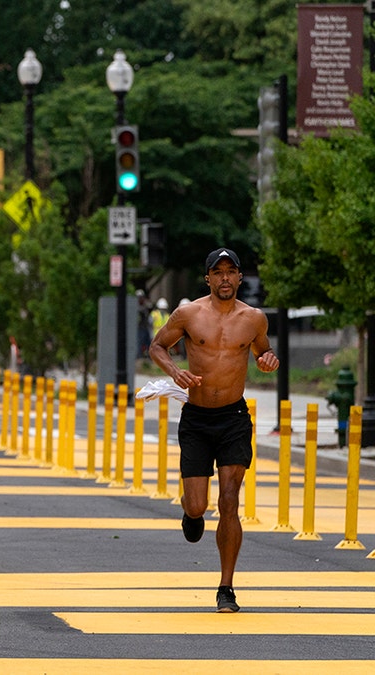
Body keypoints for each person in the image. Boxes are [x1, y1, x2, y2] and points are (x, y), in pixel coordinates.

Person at [149, 247, 279, 613]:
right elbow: (157, 346)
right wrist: (175, 372)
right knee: (198, 504)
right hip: (197, 417)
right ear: (208, 278)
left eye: (231, 272)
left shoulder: (254, 319)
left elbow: (264, 354)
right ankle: (191, 516)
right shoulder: (188, 314)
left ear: (240, 277)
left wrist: (268, 361)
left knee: (229, 500)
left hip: (234, 418)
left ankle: (226, 588)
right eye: (217, 272)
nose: (225, 278)